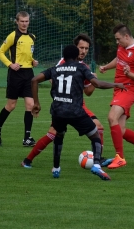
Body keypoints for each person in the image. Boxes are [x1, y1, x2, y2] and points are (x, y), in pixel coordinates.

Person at [31, 44, 125, 179]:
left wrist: (36, 103)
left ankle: (56, 168)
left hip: (58, 112)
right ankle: (97, 165)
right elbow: (97, 84)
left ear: (64, 57)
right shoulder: (81, 68)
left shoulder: (55, 69)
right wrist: (116, 85)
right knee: (95, 135)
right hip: (75, 111)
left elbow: (34, 80)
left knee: (59, 136)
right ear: (76, 56)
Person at [21, 34, 112, 168]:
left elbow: (88, 92)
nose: (84, 51)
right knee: (53, 134)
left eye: (86, 48)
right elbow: (52, 79)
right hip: (62, 105)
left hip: (78, 105)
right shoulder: (64, 62)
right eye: (81, 48)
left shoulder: (84, 66)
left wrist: (94, 81)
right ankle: (28, 160)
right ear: (75, 48)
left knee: (99, 127)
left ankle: (98, 160)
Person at [99, 23, 134, 169]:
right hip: (118, 89)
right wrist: (106, 66)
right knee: (121, 130)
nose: (117, 42)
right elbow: (118, 59)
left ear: (126, 36)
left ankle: (120, 157)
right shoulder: (122, 47)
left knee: (112, 117)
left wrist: (128, 73)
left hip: (130, 89)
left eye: (118, 39)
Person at [0, 11, 38, 147]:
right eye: (22, 21)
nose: (24, 24)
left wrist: (33, 61)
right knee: (11, 105)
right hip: (15, 75)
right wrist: (10, 64)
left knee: (30, 105)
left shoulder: (32, 37)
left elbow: (27, 55)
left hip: (28, 74)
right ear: (17, 22)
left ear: (29, 21)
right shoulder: (13, 36)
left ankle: (27, 138)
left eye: (26, 21)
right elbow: (0, 52)